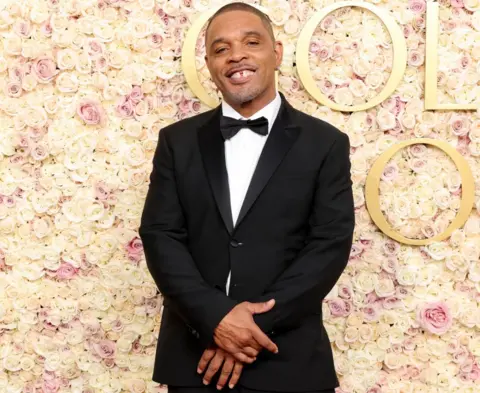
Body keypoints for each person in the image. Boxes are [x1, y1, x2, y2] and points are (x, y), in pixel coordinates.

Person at [139, 2, 355, 393]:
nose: (236, 54)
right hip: (196, 360)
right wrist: (216, 319)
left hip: (288, 360)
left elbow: (329, 245)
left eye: (251, 42)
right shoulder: (176, 142)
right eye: (221, 49)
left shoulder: (325, 143)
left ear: (277, 52)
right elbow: (160, 235)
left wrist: (248, 327)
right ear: (209, 64)